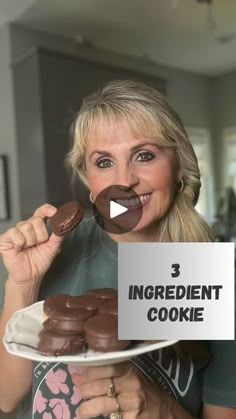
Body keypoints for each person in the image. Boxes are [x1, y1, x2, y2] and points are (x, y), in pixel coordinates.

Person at [0, 80, 235, 419]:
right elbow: (6, 398)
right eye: (104, 162)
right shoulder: (53, 250)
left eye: (144, 155)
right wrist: (23, 283)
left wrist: (161, 407)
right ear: (88, 178)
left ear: (179, 166)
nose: (125, 180)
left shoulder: (211, 276)